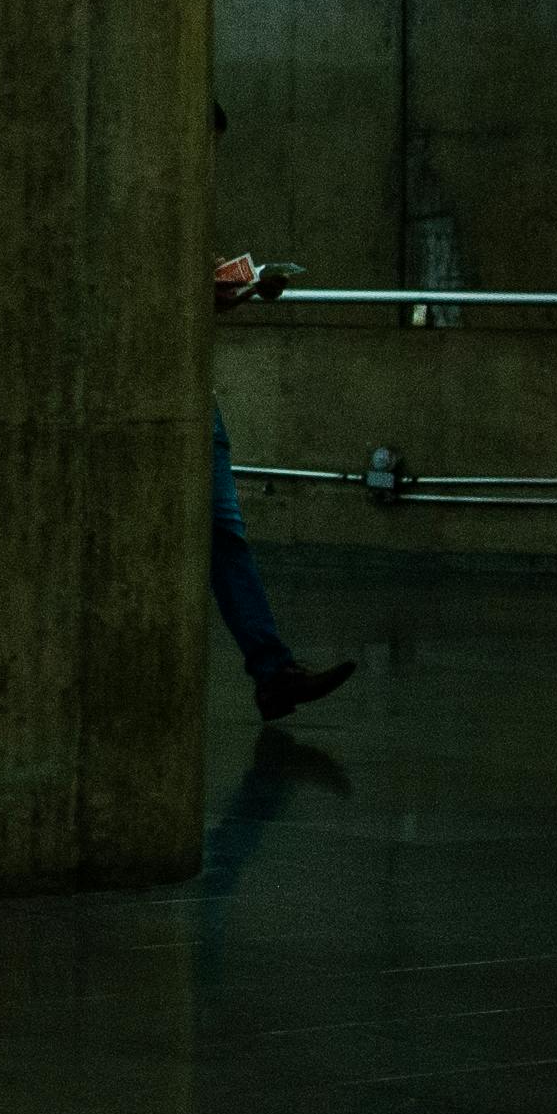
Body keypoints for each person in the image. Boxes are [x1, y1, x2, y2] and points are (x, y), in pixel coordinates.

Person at [208, 137, 355, 720]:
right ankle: (272, 672)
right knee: (223, 536)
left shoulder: (181, 203)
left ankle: (273, 672)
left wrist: (243, 290)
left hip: (194, 399)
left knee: (226, 534)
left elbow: (200, 302)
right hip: (169, 397)